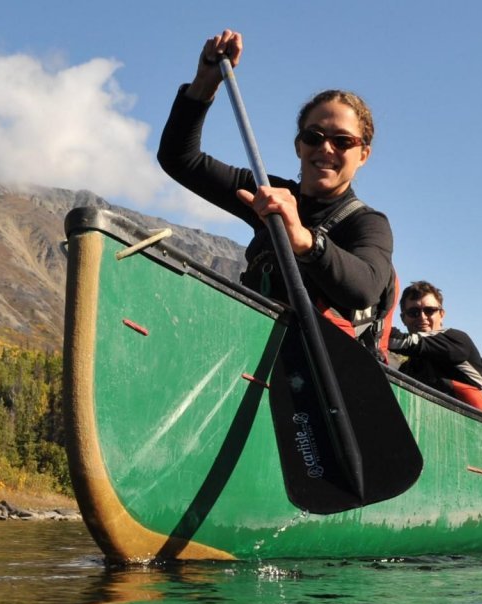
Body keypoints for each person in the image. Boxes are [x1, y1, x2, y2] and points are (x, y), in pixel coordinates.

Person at [157, 29, 397, 361]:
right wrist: (204, 85)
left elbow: (365, 288)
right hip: (256, 360)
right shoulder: (266, 194)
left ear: (363, 154)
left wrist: (304, 240)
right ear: (299, 145)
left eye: (343, 141)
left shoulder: (368, 224)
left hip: (324, 375)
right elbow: (180, 160)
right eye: (314, 137)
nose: (325, 148)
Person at [389, 281, 482, 416]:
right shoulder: (406, 369)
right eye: (413, 312)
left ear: (441, 314)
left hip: (480, 430)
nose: (422, 317)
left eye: (429, 310)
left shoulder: (457, 340)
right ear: (403, 318)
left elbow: (399, 341)